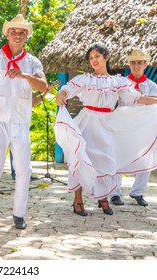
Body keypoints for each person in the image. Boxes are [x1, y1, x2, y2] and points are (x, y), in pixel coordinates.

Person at [55, 42, 157, 216]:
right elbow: (67, 90)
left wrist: (155, 101)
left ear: (106, 57)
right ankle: (78, 201)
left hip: (107, 122)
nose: (94, 60)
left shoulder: (118, 81)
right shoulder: (84, 79)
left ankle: (103, 198)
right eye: (91, 58)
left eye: (97, 56)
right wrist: (61, 94)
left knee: (107, 160)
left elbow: (136, 99)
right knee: (80, 157)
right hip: (87, 121)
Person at [0, 14, 48, 230]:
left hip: (20, 121)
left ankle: (19, 214)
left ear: (27, 36)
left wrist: (24, 75)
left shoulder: (32, 62)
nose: (18, 34)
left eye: (22, 32)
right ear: (7, 33)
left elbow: (44, 87)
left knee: (24, 168)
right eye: (14, 31)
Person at [110, 49, 157, 207]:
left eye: (139, 62)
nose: (136, 65)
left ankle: (138, 191)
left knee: (146, 156)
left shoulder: (151, 85)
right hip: (123, 125)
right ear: (129, 64)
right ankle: (115, 193)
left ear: (145, 64)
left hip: (143, 128)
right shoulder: (121, 83)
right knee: (118, 157)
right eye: (133, 62)